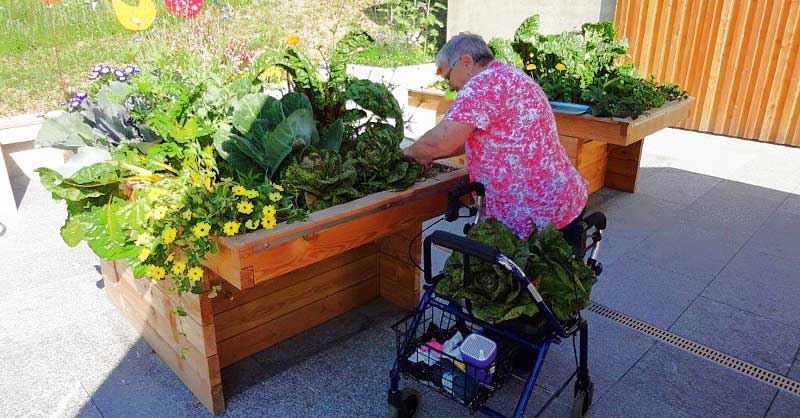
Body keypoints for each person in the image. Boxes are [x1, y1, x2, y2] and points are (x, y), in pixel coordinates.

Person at [403, 33, 588, 239]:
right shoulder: (508, 75)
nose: (450, 85)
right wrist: (429, 155)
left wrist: (407, 154)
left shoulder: (481, 85)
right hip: (562, 201)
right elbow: (470, 138)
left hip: (535, 214)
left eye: (448, 76)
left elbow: (442, 140)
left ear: (466, 62)